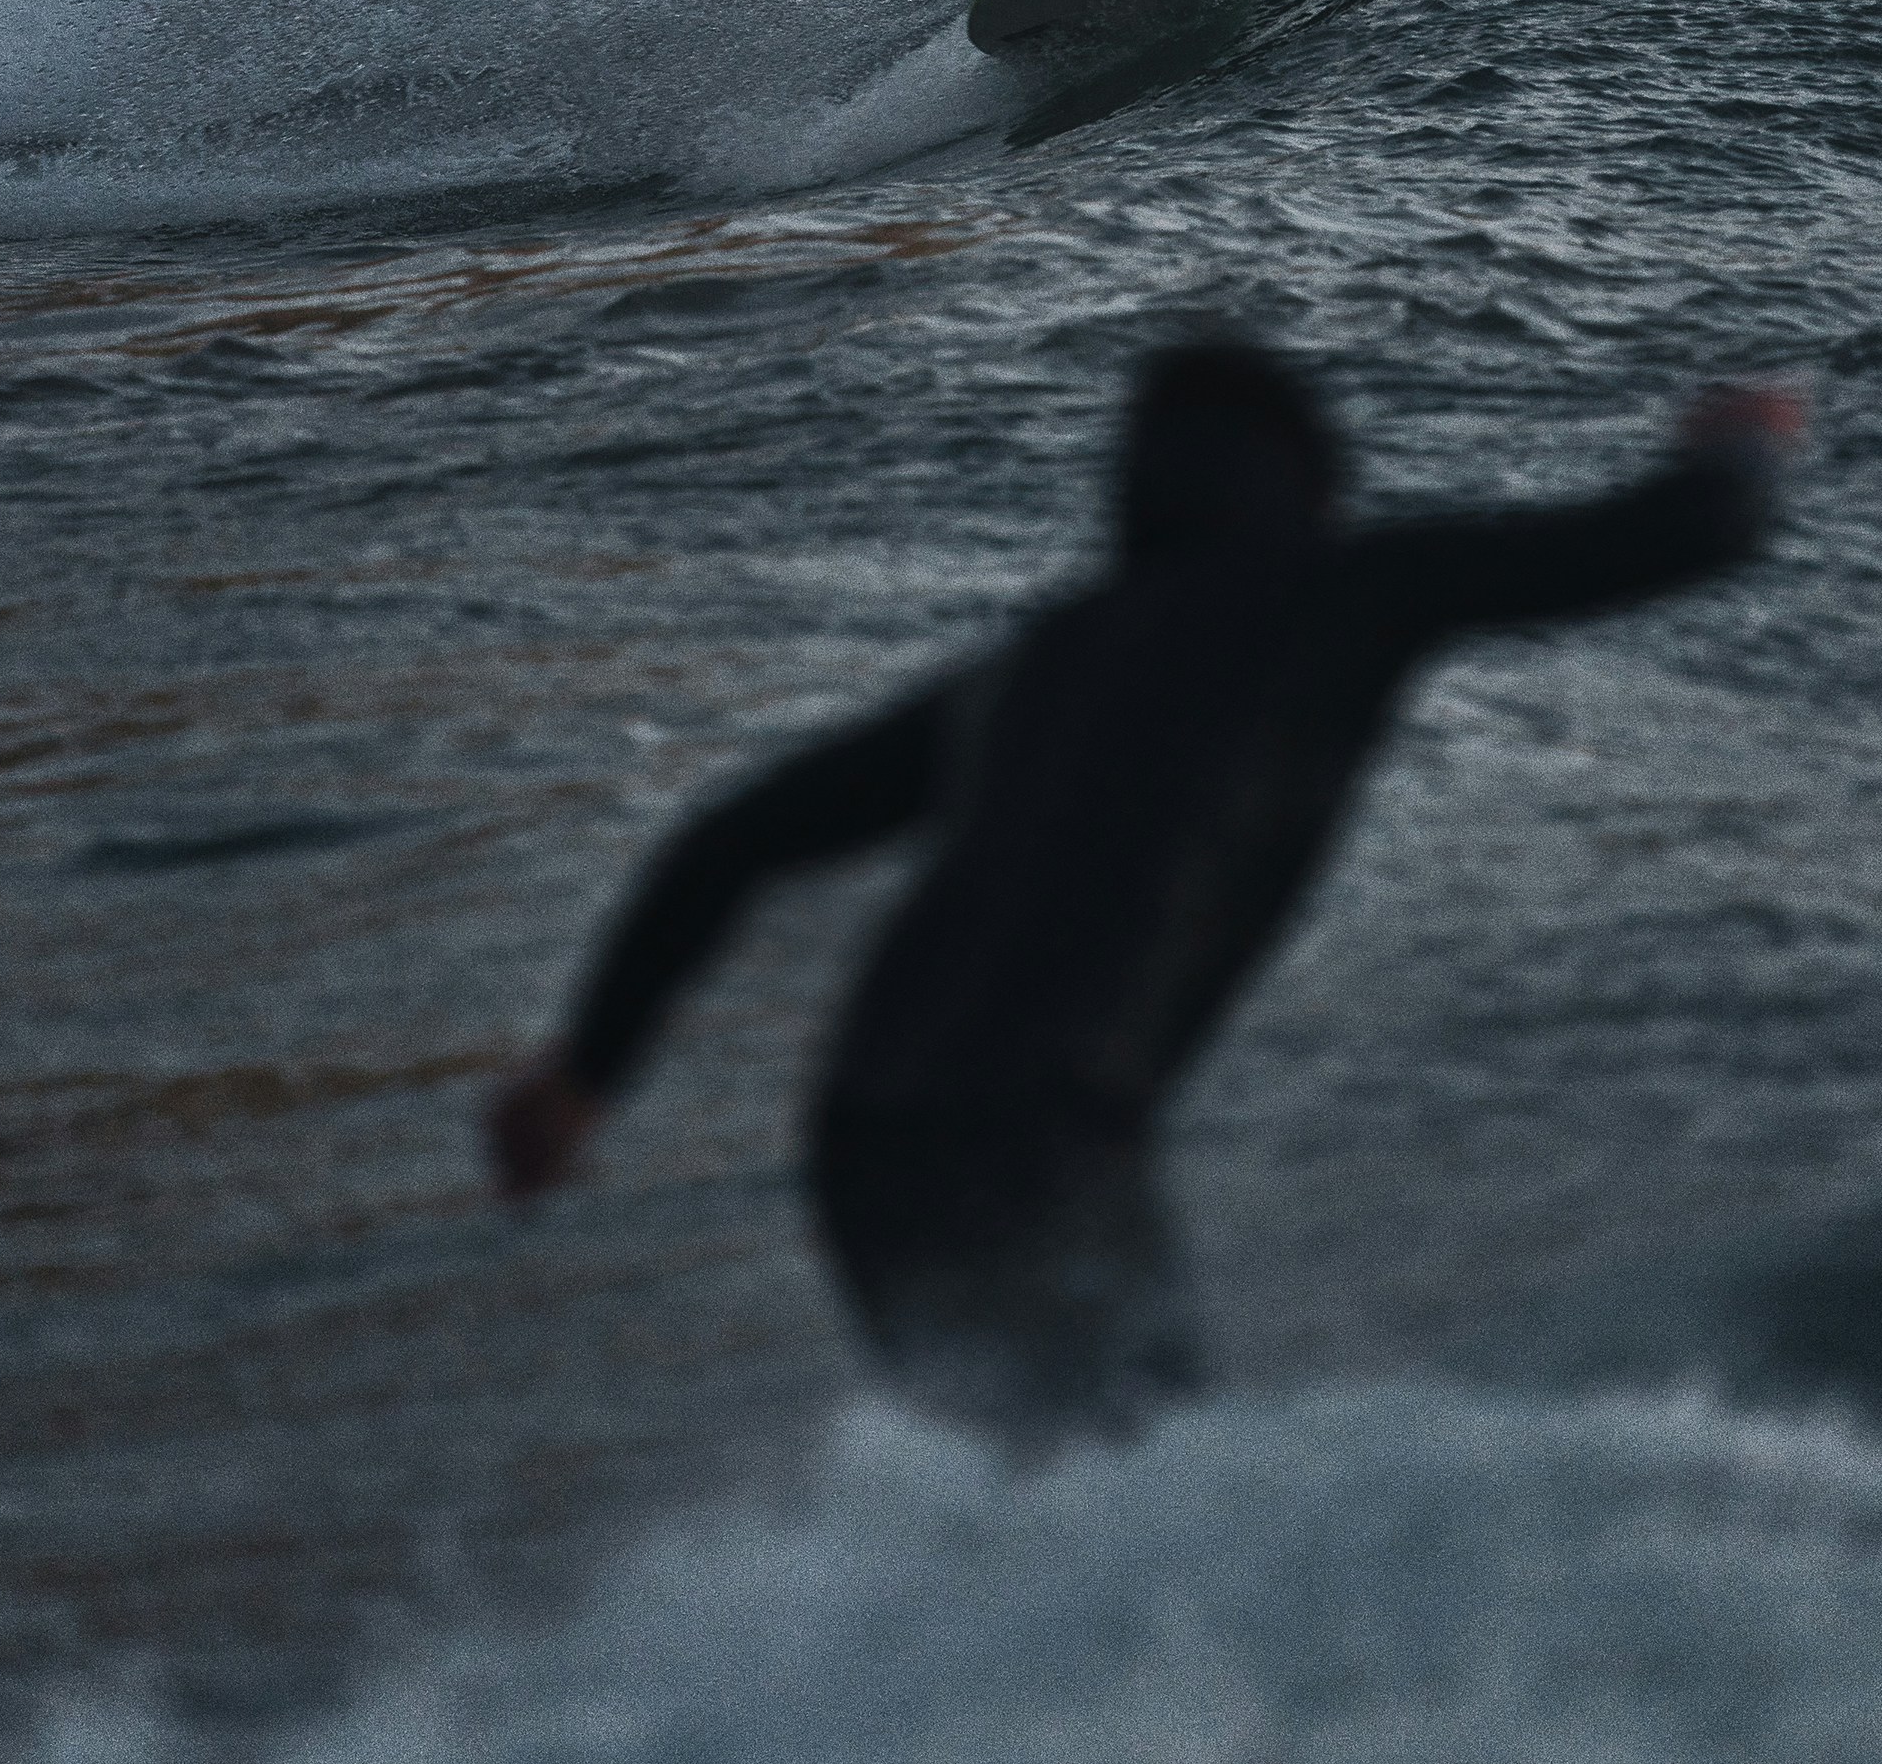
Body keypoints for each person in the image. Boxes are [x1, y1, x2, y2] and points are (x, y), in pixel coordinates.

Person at [486, 348, 1802, 1439]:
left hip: (864, 1142)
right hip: (1041, 1136)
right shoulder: (1339, 594)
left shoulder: (1035, 665)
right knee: (1131, 1489)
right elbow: (1691, 532)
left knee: (1018, 1490)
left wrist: (586, 1073)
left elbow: (731, 839)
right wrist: (1740, 439)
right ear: (1314, 489)